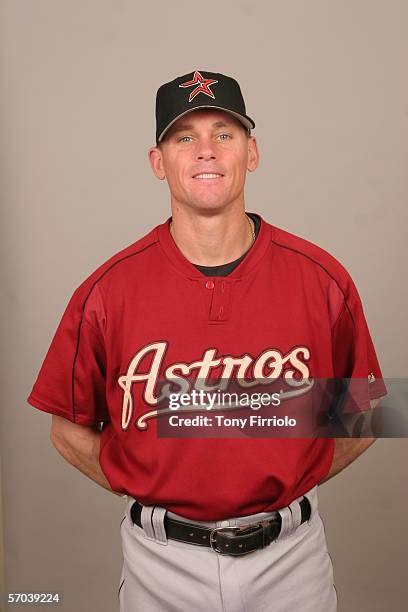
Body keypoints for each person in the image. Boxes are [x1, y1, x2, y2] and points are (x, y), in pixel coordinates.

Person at [27, 70, 388, 611]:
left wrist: (291, 472)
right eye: (184, 137)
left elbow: (364, 413)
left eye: (224, 133)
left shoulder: (321, 277)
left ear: (252, 151)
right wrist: (149, 478)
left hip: (292, 557)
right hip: (161, 561)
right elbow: (67, 429)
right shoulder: (107, 291)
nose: (206, 151)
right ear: (157, 161)